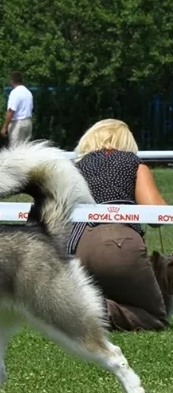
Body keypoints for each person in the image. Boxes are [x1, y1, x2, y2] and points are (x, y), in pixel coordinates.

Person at [68, 119, 172, 331]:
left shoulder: (74, 169)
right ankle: (94, 309)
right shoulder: (133, 163)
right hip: (120, 242)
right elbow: (156, 215)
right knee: (155, 317)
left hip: (78, 247)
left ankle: (80, 305)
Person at [0, 71, 33, 145]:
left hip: (17, 123)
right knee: (25, 147)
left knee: (15, 148)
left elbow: (11, 111)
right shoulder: (28, 92)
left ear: (12, 81)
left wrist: (5, 126)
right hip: (28, 122)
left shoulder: (15, 92)